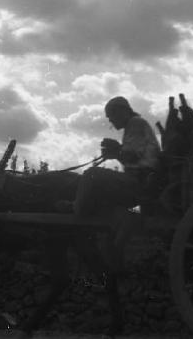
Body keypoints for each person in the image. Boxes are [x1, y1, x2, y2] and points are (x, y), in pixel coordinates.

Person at [61, 96, 161, 270]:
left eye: (111, 116)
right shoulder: (135, 125)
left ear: (122, 111)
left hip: (140, 182)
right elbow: (133, 156)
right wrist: (116, 151)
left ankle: (75, 208)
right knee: (97, 188)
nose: (110, 121)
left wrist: (116, 150)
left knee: (91, 174)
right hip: (143, 181)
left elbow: (132, 156)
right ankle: (121, 217)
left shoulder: (135, 124)